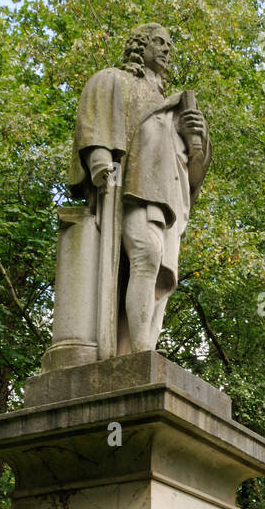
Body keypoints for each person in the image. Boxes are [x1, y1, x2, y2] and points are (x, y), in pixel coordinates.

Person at [68, 22, 211, 354]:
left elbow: (191, 171)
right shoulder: (115, 81)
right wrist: (100, 158)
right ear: (139, 46)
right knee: (146, 253)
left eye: (169, 45)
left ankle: (137, 347)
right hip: (125, 182)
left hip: (167, 197)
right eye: (159, 42)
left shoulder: (174, 105)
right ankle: (140, 349)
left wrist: (198, 136)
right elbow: (97, 118)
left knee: (160, 270)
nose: (166, 49)